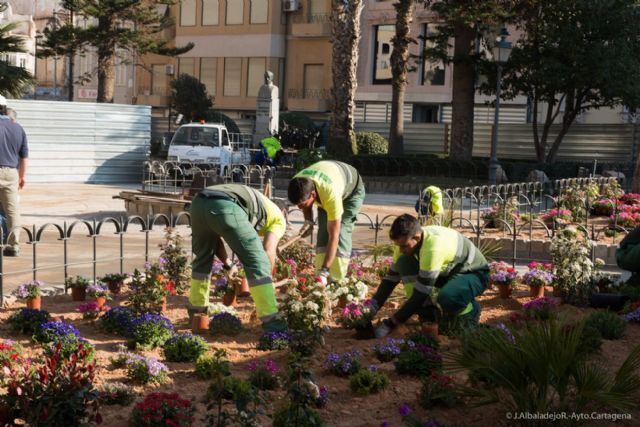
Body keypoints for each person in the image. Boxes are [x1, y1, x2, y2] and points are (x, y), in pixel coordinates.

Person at [188, 183, 287, 332]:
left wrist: (228, 264)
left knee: (203, 259)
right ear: (284, 211)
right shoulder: (279, 218)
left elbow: (215, 240)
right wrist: (268, 279)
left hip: (198, 204)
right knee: (257, 261)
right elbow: (268, 251)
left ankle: (197, 314)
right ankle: (272, 321)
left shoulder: (260, 203)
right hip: (225, 205)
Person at [372, 214, 489, 338]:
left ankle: (472, 310)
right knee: (403, 262)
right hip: (449, 272)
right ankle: (429, 316)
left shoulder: (433, 248)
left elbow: (420, 294)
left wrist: (391, 323)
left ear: (416, 237)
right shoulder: (404, 243)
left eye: (404, 246)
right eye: (398, 245)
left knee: (448, 298)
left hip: (474, 273)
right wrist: (369, 310)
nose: (400, 250)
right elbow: (389, 281)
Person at [287, 160, 365, 283]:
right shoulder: (297, 182)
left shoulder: (330, 194)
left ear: (313, 195)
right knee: (323, 232)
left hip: (351, 191)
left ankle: (338, 280)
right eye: (297, 205)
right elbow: (305, 205)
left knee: (341, 233)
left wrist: (326, 270)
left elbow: (334, 236)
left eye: (302, 204)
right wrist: (309, 221)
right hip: (330, 178)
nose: (299, 208)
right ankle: (320, 278)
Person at [0, 95, 28, 257]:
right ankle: (13, 246)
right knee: (12, 211)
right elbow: (24, 157)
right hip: (12, 173)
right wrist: (22, 177)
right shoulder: (18, 128)